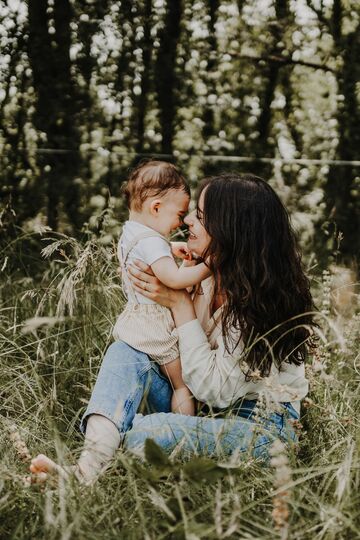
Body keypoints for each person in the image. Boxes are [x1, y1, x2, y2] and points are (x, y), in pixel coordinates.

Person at [30, 172, 317, 485]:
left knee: (148, 436)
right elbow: (179, 353)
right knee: (125, 353)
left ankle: (112, 438)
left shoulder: (261, 302)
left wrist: (180, 305)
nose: (189, 221)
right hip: (199, 405)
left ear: (231, 230)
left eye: (201, 216)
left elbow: (215, 390)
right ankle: (85, 471)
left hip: (258, 426)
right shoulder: (206, 272)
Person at [113, 160, 210, 415]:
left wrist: (170, 249)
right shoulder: (153, 243)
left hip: (134, 326)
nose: (181, 223)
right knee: (182, 386)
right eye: (179, 215)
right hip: (157, 329)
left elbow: (149, 254)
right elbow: (175, 281)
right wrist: (209, 266)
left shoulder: (129, 233)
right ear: (156, 207)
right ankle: (183, 430)